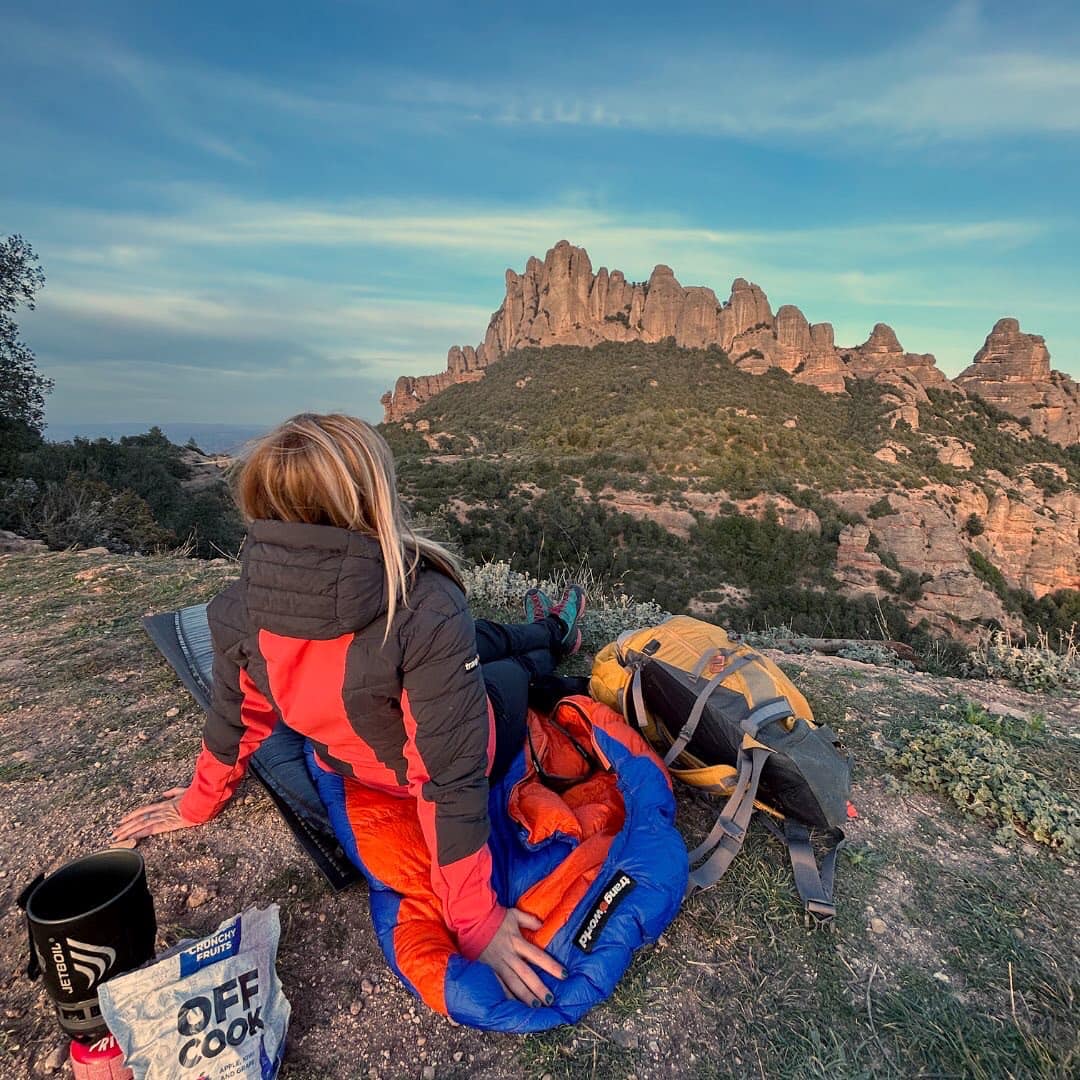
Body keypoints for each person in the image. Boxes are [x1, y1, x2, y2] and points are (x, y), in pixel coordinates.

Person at [112, 413, 587, 1008]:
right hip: (455, 741)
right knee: (512, 673)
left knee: (474, 636)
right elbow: (450, 778)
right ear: (374, 500)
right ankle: (551, 640)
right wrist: (476, 923)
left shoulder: (235, 611)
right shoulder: (423, 602)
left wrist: (197, 803)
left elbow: (234, 723)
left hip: (355, 756)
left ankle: (543, 630)